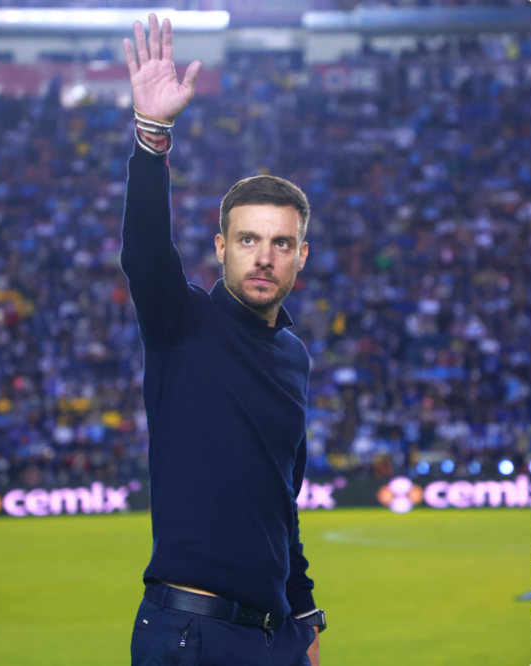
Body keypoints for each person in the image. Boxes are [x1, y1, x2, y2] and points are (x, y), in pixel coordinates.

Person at [120, 14, 322, 665]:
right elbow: (145, 254)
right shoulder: (181, 323)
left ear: (300, 257)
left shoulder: (295, 359)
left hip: (277, 638)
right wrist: (153, 138)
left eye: (280, 243)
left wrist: (305, 619)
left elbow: (279, 507)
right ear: (221, 249)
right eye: (247, 240)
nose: (263, 257)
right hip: (190, 633)